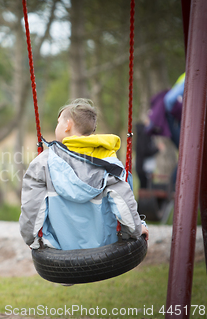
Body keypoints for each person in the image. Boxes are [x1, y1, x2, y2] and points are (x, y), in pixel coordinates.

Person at [19, 99, 148, 252]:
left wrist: (31, 238)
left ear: (67, 125)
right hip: (104, 247)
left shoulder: (43, 163)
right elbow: (123, 202)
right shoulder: (110, 162)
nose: (57, 126)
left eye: (59, 122)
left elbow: (31, 207)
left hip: (58, 247)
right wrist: (136, 229)